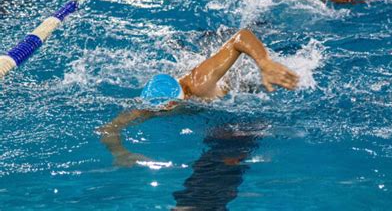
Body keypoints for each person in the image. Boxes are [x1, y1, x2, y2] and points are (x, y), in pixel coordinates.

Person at [99, 29, 299, 167]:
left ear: (171, 104)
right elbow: (109, 128)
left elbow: (241, 36)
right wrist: (121, 154)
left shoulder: (199, 85)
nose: (154, 114)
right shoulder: (154, 103)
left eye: (159, 111)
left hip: (243, 82)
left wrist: (264, 63)